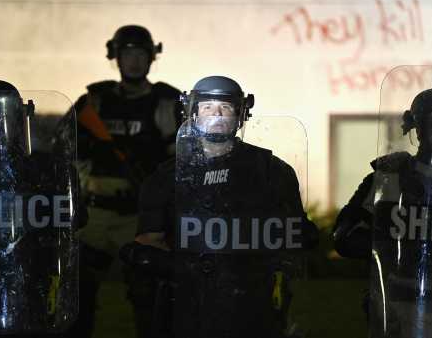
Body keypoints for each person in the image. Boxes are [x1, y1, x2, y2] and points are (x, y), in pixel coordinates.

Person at [121, 75, 319, 338]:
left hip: (254, 293)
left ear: (240, 116)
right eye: (207, 107)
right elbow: (149, 240)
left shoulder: (271, 170)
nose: (216, 114)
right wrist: (179, 266)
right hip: (189, 295)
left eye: (225, 107)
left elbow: (294, 236)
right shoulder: (167, 176)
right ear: (192, 114)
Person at [63, 24, 182, 338]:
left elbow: (181, 160)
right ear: (115, 56)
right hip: (96, 215)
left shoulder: (166, 102)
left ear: (151, 57)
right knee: (76, 295)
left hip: (142, 216)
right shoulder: (95, 100)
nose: (133, 61)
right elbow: (66, 149)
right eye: (127, 53)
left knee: (150, 297)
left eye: (140, 53)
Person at [333, 86, 432, 338]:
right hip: (402, 309)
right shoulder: (392, 178)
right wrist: (391, 247)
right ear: (419, 130)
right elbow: (344, 236)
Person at [0, 79, 79, 337]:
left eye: (4, 119)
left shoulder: (46, 170)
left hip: (31, 286)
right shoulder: (44, 169)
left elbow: (65, 233)